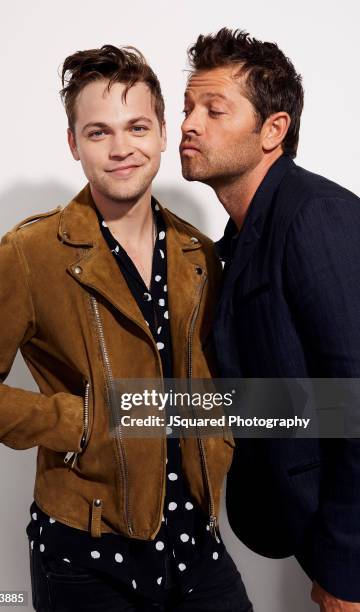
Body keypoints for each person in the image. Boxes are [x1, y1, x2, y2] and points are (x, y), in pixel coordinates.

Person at [0, 45, 251, 611]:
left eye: (137, 126)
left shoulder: (200, 254)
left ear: (163, 132)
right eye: (98, 132)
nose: (121, 148)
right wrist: (80, 421)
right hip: (82, 554)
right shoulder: (31, 253)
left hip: (197, 542)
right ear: (73, 143)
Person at [180, 27, 360, 612]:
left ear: (272, 130)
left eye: (213, 109)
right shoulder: (234, 242)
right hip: (301, 531)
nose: (189, 124)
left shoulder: (315, 217)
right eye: (187, 108)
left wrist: (345, 569)